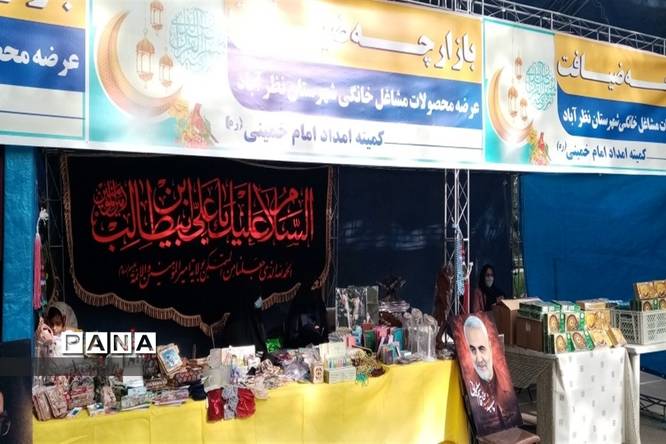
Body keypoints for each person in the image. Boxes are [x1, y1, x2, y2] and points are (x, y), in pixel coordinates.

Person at [463, 315, 521, 436]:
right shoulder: (472, 385)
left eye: (482, 349)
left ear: (490, 346)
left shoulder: (504, 384)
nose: (479, 359)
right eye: (473, 350)